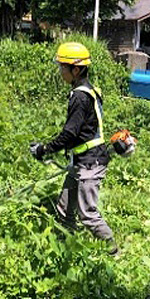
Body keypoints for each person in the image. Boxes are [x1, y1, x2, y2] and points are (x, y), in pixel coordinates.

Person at [30, 42, 117, 254]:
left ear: (75, 69)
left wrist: (44, 149)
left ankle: (113, 252)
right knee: (64, 208)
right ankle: (67, 249)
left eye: (63, 67)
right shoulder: (89, 90)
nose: (61, 72)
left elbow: (70, 133)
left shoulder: (79, 96)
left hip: (90, 162)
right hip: (80, 161)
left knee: (87, 213)